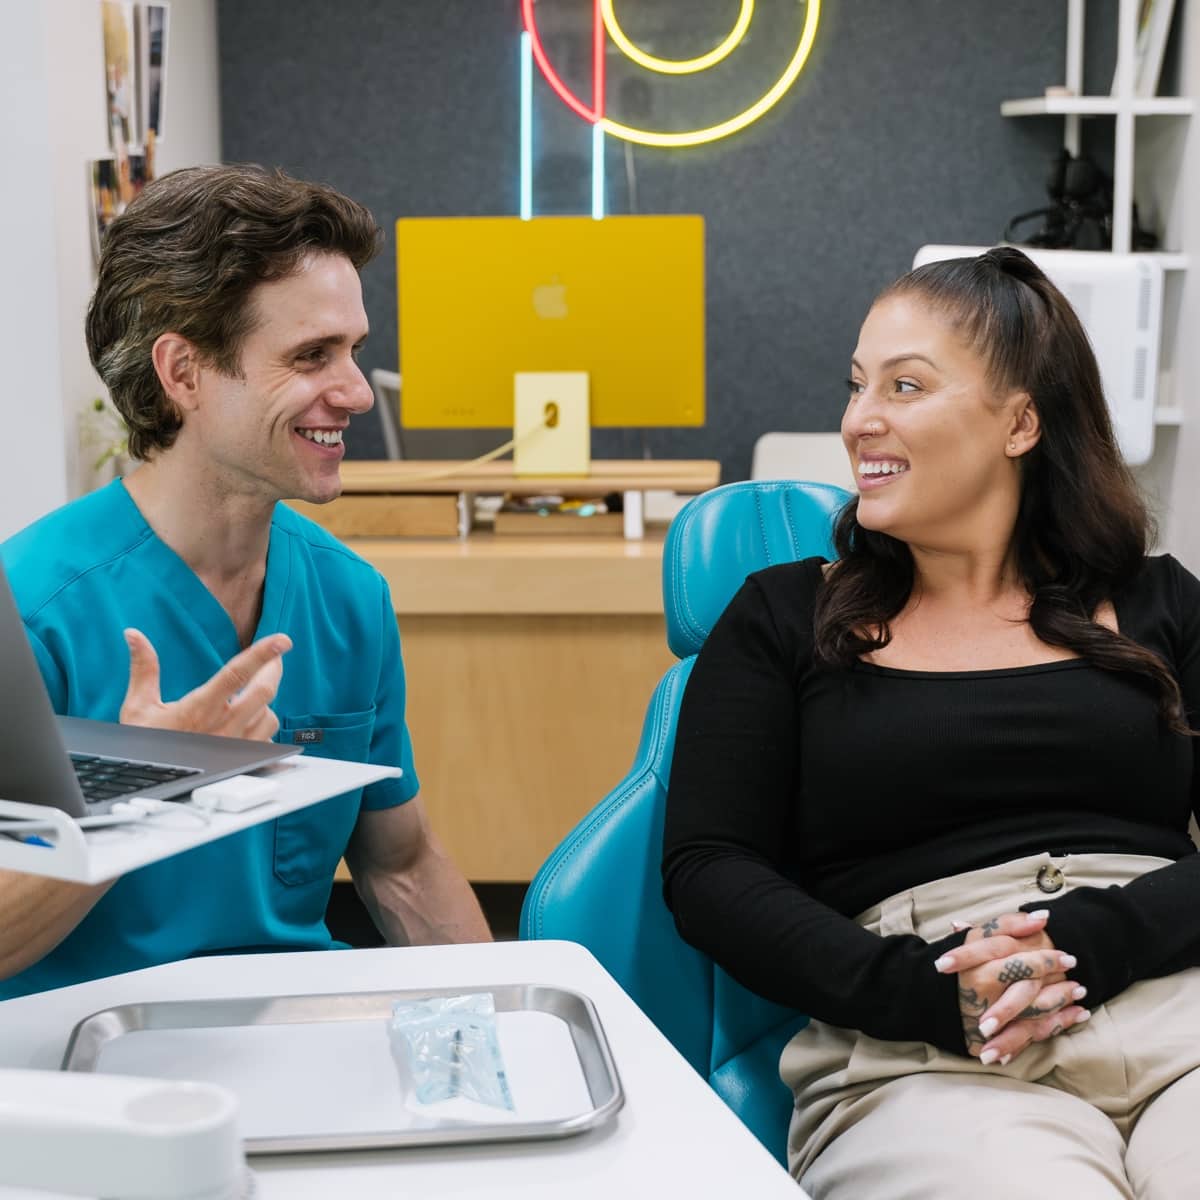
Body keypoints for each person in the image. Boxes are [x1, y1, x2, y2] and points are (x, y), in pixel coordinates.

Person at [662, 247, 1200, 1199]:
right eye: (858, 385)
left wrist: (1103, 936)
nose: (859, 419)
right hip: (926, 1054)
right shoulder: (786, 617)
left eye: (905, 386)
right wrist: (918, 987)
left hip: (1175, 1002)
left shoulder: (1161, 603)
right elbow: (710, 869)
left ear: (1021, 423)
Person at [0, 165, 491, 999]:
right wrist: (146, 797)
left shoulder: (349, 597)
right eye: (310, 357)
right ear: (183, 373)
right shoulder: (31, 608)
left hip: (295, 1036)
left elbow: (402, 864)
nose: (354, 393)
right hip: (89, 1064)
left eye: (352, 352)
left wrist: (508, 1031)